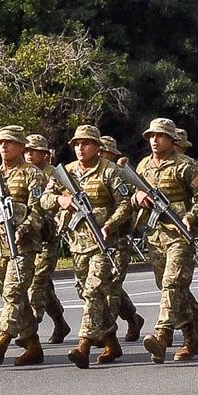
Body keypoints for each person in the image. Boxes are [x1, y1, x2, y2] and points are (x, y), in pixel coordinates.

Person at [41, 125, 133, 368]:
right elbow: (45, 199)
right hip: (77, 244)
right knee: (87, 292)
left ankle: (83, 344)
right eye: (77, 144)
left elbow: (125, 204)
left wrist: (110, 224)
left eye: (86, 144)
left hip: (104, 244)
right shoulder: (66, 173)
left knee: (93, 291)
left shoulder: (110, 171)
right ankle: (112, 341)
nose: (81, 148)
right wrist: (62, 199)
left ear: (97, 147)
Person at [134, 118, 198, 364]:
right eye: (152, 136)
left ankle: (162, 335)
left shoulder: (185, 165)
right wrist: (139, 196)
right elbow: (132, 191)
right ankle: (192, 337)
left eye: (160, 136)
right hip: (156, 235)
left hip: (179, 236)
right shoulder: (144, 165)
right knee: (173, 289)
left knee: (171, 284)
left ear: (171, 139)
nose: (155, 141)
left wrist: (191, 217)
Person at [0, 126, 48, 366]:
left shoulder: (32, 174)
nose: (3, 147)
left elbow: (40, 211)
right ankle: (33, 345)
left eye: (9, 143)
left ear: (21, 147)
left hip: (23, 245)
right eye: (0, 143)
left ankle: (2, 340)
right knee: (16, 300)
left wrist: (24, 228)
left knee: (13, 292)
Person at [21, 133, 70, 344]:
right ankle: (60, 322)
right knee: (42, 285)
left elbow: (69, 199)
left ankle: (31, 329)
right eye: (26, 150)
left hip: (48, 236)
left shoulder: (55, 174)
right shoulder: (22, 174)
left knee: (38, 282)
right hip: (27, 237)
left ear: (44, 154)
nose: (29, 154)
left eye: (34, 151)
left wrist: (62, 218)